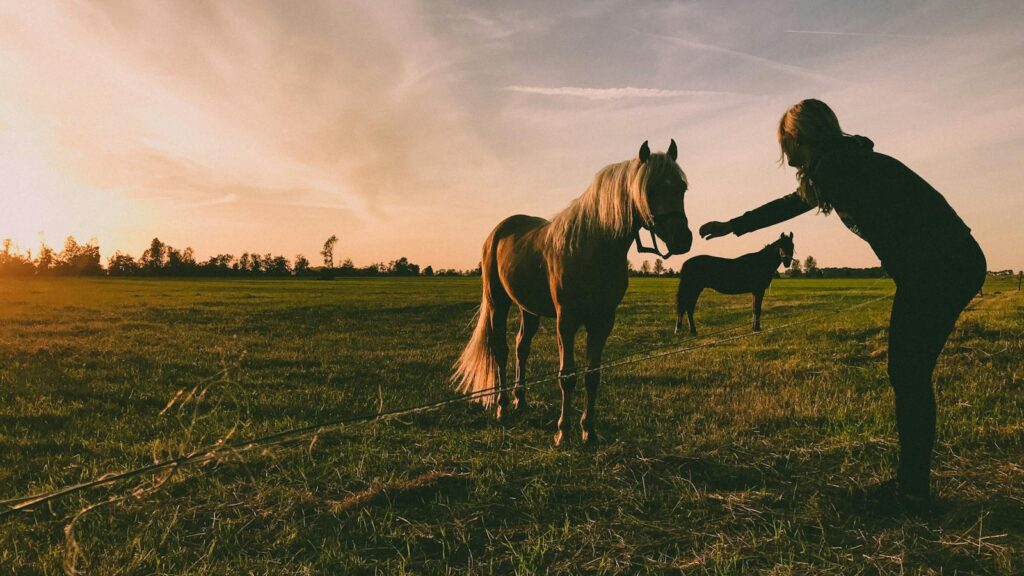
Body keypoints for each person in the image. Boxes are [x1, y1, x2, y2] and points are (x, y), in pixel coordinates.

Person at [700, 99, 986, 512]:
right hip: (950, 262)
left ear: (801, 137)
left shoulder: (834, 166)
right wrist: (737, 225)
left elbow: (793, 204)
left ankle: (913, 493)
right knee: (909, 372)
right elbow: (800, 200)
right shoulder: (845, 160)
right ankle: (912, 486)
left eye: (786, 143)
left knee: (907, 372)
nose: (785, 154)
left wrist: (735, 225)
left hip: (939, 268)